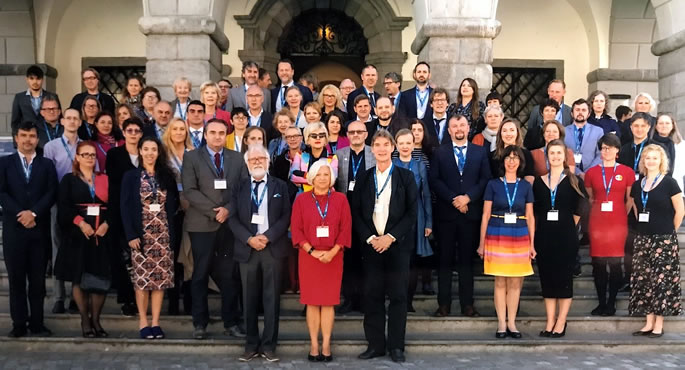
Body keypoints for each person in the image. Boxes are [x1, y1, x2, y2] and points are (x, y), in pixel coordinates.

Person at [352, 130, 417, 363]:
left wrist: (390, 237)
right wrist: (371, 238)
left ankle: (396, 346)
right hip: (371, 247)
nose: (381, 149)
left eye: (385, 145)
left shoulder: (406, 177)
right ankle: (376, 345)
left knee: (398, 297)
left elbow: (412, 213)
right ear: (372, 149)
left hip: (397, 247)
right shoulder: (364, 177)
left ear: (393, 148)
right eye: (376, 145)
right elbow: (356, 212)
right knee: (372, 296)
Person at [181, 118, 248, 340]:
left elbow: (243, 189)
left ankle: (231, 322)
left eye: (221, 133)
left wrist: (228, 210)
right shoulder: (191, 157)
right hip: (201, 225)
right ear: (205, 135)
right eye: (213, 132)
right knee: (200, 274)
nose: (218, 136)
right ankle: (200, 323)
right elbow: (189, 190)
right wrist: (214, 211)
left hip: (228, 224)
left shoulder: (237, 158)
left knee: (229, 275)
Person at [228, 145, 292, 362]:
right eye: (253, 159)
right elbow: (233, 218)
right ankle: (251, 344)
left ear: (268, 161)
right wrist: (249, 239)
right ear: (247, 164)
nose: (257, 162)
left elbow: (286, 216)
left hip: (272, 248)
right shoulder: (239, 187)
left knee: (272, 299)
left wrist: (268, 236)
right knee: (249, 299)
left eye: (261, 158)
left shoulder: (280, 186)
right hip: (247, 248)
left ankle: (269, 346)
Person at [430, 115, 492, 318]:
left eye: (462, 125)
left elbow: (485, 179)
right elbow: (435, 180)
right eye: (454, 126)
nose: (458, 129)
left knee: (466, 262)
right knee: (445, 261)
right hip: (446, 215)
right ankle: (443, 305)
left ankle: (468, 305)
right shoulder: (439, 152)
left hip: (470, 214)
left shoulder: (479, 152)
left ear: (468, 128)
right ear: (449, 130)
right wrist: (454, 199)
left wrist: (468, 198)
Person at [0, 121, 57, 337]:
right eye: (23, 135)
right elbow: (2, 193)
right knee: (16, 280)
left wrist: (33, 213)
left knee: (37, 281)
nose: (27, 140)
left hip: (38, 230)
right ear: (16, 138)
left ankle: (37, 323)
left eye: (32, 136)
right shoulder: (4, 164)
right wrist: (21, 214)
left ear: (37, 139)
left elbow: (51, 192)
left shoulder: (47, 165)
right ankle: (19, 324)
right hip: (14, 230)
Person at [291, 160, 351, 362]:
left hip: (333, 257)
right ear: (312, 178)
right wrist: (312, 251)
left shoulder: (341, 199)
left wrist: (333, 251)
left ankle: (326, 344)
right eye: (319, 174)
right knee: (312, 303)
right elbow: (296, 229)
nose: (323, 178)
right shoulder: (301, 200)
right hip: (309, 258)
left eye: (326, 174)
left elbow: (345, 229)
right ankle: (313, 345)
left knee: (328, 303)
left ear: (331, 178)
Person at [121, 137, 179, 339]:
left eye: (153, 149)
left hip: (162, 235)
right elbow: (125, 207)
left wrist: (170, 235)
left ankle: (155, 322)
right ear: (140, 151)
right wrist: (131, 234)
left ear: (158, 152)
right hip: (141, 236)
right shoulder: (130, 176)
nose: (150, 153)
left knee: (159, 282)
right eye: (146, 149)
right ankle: (143, 321)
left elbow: (173, 205)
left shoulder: (166, 176)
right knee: (142, 282)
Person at [477, 145, 535, 339]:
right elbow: (485, 215)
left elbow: (530, 216)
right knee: (500, 282)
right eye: (508, 158)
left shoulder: (526, 186)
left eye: (515, 158)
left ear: (520, 162)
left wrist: (532, 244)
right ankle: (501, 323)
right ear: (503, 162)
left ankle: (512, 323)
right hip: (497, 234)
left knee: (516, 283)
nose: (511, 161)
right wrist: (481, 243)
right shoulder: (493, 184)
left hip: (519, 235)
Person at [55, 141, 111, 338]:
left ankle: (96, 319)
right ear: (77, 157)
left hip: (101, 234)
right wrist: (80, 223)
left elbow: (113, 206)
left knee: (101, 278)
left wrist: (107, 224)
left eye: (92, 155)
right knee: (79, 278)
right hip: (77, 234)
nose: (89, 158)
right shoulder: (69, 180)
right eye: (85, 154)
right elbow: (64, 207)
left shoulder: (104, 179)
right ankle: (85, 320)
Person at [629, 144, 684, 338]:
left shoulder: (670, 183)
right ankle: (648, 322)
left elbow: (680, 211)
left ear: (661, 161)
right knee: (643, 281)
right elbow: (636, 209)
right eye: (647, 158)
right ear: (642, 161)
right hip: (642, 238)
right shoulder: (637, 185)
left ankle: (659, 324)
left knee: (661, 282)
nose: (651, 161)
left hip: (664, 240)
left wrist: (669, 232)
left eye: (655, 158)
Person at [533, 139, 585, 338]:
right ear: (547, 156)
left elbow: (580, 206)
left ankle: (561, 322)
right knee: (547, 279)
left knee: (564, 280)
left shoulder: (573, 180)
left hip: (566, 236)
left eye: (559, 153)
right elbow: (536, 209)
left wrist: (568, 224)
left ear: (564, 157)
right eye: (552, 153)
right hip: (545, 236)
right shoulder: (539, 182)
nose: (555, 156)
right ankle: (549, 322)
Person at [584, 134, 635, 316]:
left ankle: (611, 303)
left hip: (618, 222)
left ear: (617, 150)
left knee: (614, 263)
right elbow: (591, 198)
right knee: (598, 264)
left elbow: (629, 199)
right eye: (603, 148)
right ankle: (601, 303)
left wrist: (620, 213)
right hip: (597, 222)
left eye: (610, 148)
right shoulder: (591, 173)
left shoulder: (627, 172)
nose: (606, 151)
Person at [43, 108, 82, 314]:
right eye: (69, 118)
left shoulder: (85, 146)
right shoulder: (51, 147)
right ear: (62, 121)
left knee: (79, 249)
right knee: (57, 248)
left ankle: (77, 296)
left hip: (81, 203)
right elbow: (48, 176)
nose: (72, 121)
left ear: (80, 122)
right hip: (59, 203)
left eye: (76, 118)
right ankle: (59, 297)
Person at [334, 121, 375, 314]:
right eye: (352, 132)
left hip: (368, 215)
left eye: (360, 131)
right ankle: (349, 299)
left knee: (367, 259)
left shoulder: (374, 153)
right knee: (348, 260)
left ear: (366, 134)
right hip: (345, 214)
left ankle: (366, 300)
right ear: (347, 135)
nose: (356, 134)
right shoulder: (339, 155)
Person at [106, 117, 145, 317]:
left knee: (140, 258)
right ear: (123, 132)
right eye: (129, 130)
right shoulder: (114, 154)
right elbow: (114, 184)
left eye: (137, 130)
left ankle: (141, 298)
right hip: (119, 211)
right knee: (122, 258)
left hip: (144, 213)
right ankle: (127, 299)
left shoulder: (146, 152)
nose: (133, 134)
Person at [617, 112, 659, 290]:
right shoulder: (625, 149)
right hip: (627, 201)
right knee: (629, 243)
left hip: (648, 201)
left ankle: (647, 279)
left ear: (649, 128)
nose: (639, 129)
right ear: (631, 127)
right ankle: (629, 278)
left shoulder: (654, 149)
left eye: (643, 126)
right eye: (636, 126)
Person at [393, 129, 432, 313]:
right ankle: (397, 298)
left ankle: (409, 300)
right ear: (396, 145)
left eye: (408, 143)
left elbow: (426, 195)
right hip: (395, 218)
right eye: (401, 143)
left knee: (413, 261)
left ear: (413, 144)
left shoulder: (419, 165)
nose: (405, 146)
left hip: (417, 217)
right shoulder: (391, 164)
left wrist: (429, 222)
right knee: (398, 260)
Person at [161, 117, 194, 315]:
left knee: (189, 255)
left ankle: (189, 301)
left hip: (191, 209)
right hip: (170, 210)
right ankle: (173, 302)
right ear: (169, 132)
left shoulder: (193, 153)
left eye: (183, 129)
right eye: (175, 129)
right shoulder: (163, 155)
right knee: (172, 255)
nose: (179, 132)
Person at [290, 122, 338, 193]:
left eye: (321, 136)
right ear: (308, 139)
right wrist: (319, 179)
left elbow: (331, 180)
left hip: (326, 197)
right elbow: (293, 176)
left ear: (325, 139)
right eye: (314, 136)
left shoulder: (332, 158)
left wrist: (303, 180)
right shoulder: (300, 155)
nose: (318, 138)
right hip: (303, 197)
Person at [11, 65, 58, 134]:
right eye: (32, 78)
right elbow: (15, 123)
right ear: (27, 80)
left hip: (48, 138)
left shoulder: (52, 96)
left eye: (38, 79)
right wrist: (17, 142)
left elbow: (59, 120)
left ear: (42, 80)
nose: (35, 82)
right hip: (28, 138)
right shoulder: (19, 98)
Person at [564, 99, 603, 177]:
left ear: (588, 114)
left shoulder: (598, 131)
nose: (580, 113)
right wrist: (578, 172)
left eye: (583, 110)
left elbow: (601, 154)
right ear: (572, 113)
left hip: (591, 174)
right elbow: (562, 154)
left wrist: (587, 173)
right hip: (569, 174)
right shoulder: (563, 131)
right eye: (577, 110)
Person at [490, 118, 535, 183]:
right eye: (504, 131)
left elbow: (529, 176)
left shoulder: (526, 154)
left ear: (517, 133)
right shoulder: (492, 156)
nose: (508, 134)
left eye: (512, 130)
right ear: (500, 134)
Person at [651, 113, 681, 177]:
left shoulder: (681, 145)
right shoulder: (649, 143)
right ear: (656, 126)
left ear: (673, 126)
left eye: (667, 123)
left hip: (675, 181)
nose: (664, 126)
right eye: (661, 123)